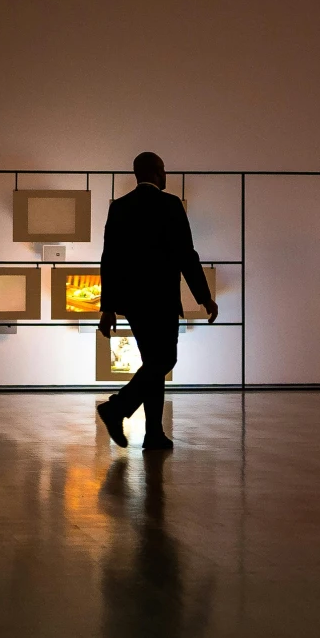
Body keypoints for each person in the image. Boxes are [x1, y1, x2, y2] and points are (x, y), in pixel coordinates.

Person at [95, 151, 216, 449]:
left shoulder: (120, 208)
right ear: (157, 172)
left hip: (132, 302)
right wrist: (204, 297)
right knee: (164, 360)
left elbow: (109, 260)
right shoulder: (170, 205)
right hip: (161, 300)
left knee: (153, 363)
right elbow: (187, 256)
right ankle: (117, 408)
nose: (166, 174)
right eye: (164, 169)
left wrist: (107, 308)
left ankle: (154, 433)